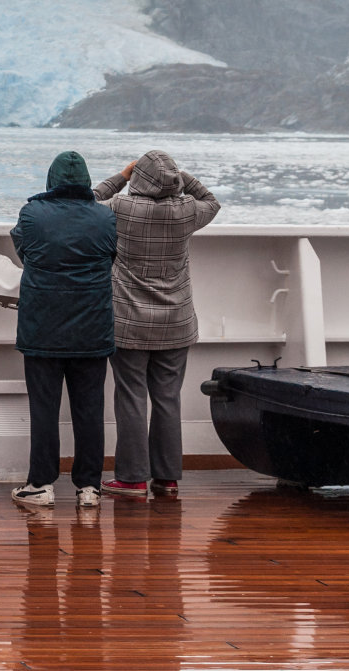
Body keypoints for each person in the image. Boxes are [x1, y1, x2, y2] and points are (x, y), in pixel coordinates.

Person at [94, 150, 219, 498]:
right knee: (168, 397)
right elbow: (212, 200)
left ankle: (132, 479)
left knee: (131, 396)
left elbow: (84, 203)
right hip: (175, 322)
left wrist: (121, 175)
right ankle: (167, 478)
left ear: (139, 180)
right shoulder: (186, 212)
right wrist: (180, 176)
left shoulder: (120, 209)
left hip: (128, 322)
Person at [7, 151, 117, 510]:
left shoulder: (31, 214)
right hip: (92, 328)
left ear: (51, 180)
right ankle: (89, 487)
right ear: (86, 181)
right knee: (90, 411)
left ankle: (41, 484)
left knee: (44, 410)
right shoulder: (105, 216)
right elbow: (110, 255)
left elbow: (25, 250)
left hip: (43, 330)